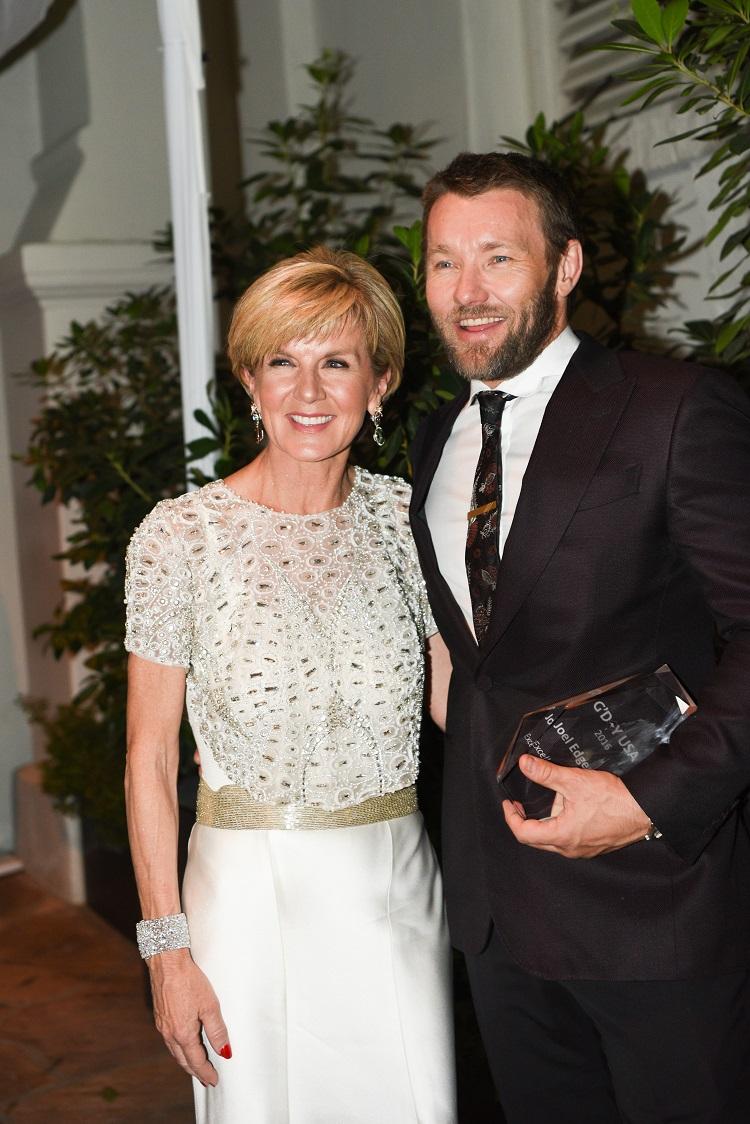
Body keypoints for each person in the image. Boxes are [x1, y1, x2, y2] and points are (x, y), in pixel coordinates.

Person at [409, 150, 750, 1124]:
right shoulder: (436, 438)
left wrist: (648, 798)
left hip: (658, 913)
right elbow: (475, 656)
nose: (467, 292)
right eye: (443, 263)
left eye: (497, 259)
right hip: (499, 923)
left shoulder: (675, 408)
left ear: (564, 266)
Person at [124, 246, 457, 1124]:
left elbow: (463, 700)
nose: (308, 393)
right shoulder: (180, 538)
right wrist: (167, 953)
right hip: (244, 902)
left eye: (336, 362)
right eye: (284, 361)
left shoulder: (406, 520)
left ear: (379, 382)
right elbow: (151, 758)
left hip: (395, 893)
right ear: (249, 379)